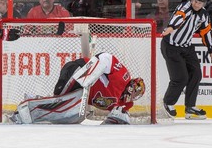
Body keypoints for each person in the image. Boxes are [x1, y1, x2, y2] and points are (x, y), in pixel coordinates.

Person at [10, 51, 146, 125]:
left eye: (136, 95)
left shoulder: (125, 104)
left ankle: (32, 102)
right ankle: (27, 109)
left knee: (62, 107)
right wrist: (89, 79)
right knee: (60, 100)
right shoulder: (123, 76)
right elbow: (105, 57)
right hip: (78, 70)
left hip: (80, 92)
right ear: (131, 85)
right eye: (134, 90)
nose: (133, 95)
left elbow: (118, 118)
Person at [161, 0, 212, 120]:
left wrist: (211, 50)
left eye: (201, 2)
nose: (197, 4)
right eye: (196, 1)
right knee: (180, 78)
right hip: (171, 46)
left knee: (196, 74)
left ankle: (190, 107)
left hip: (187, 47)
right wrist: (170, 28)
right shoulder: (184, 8)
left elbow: (206, 31)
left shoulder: (203, 14)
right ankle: (168, 103)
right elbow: (177, 18)